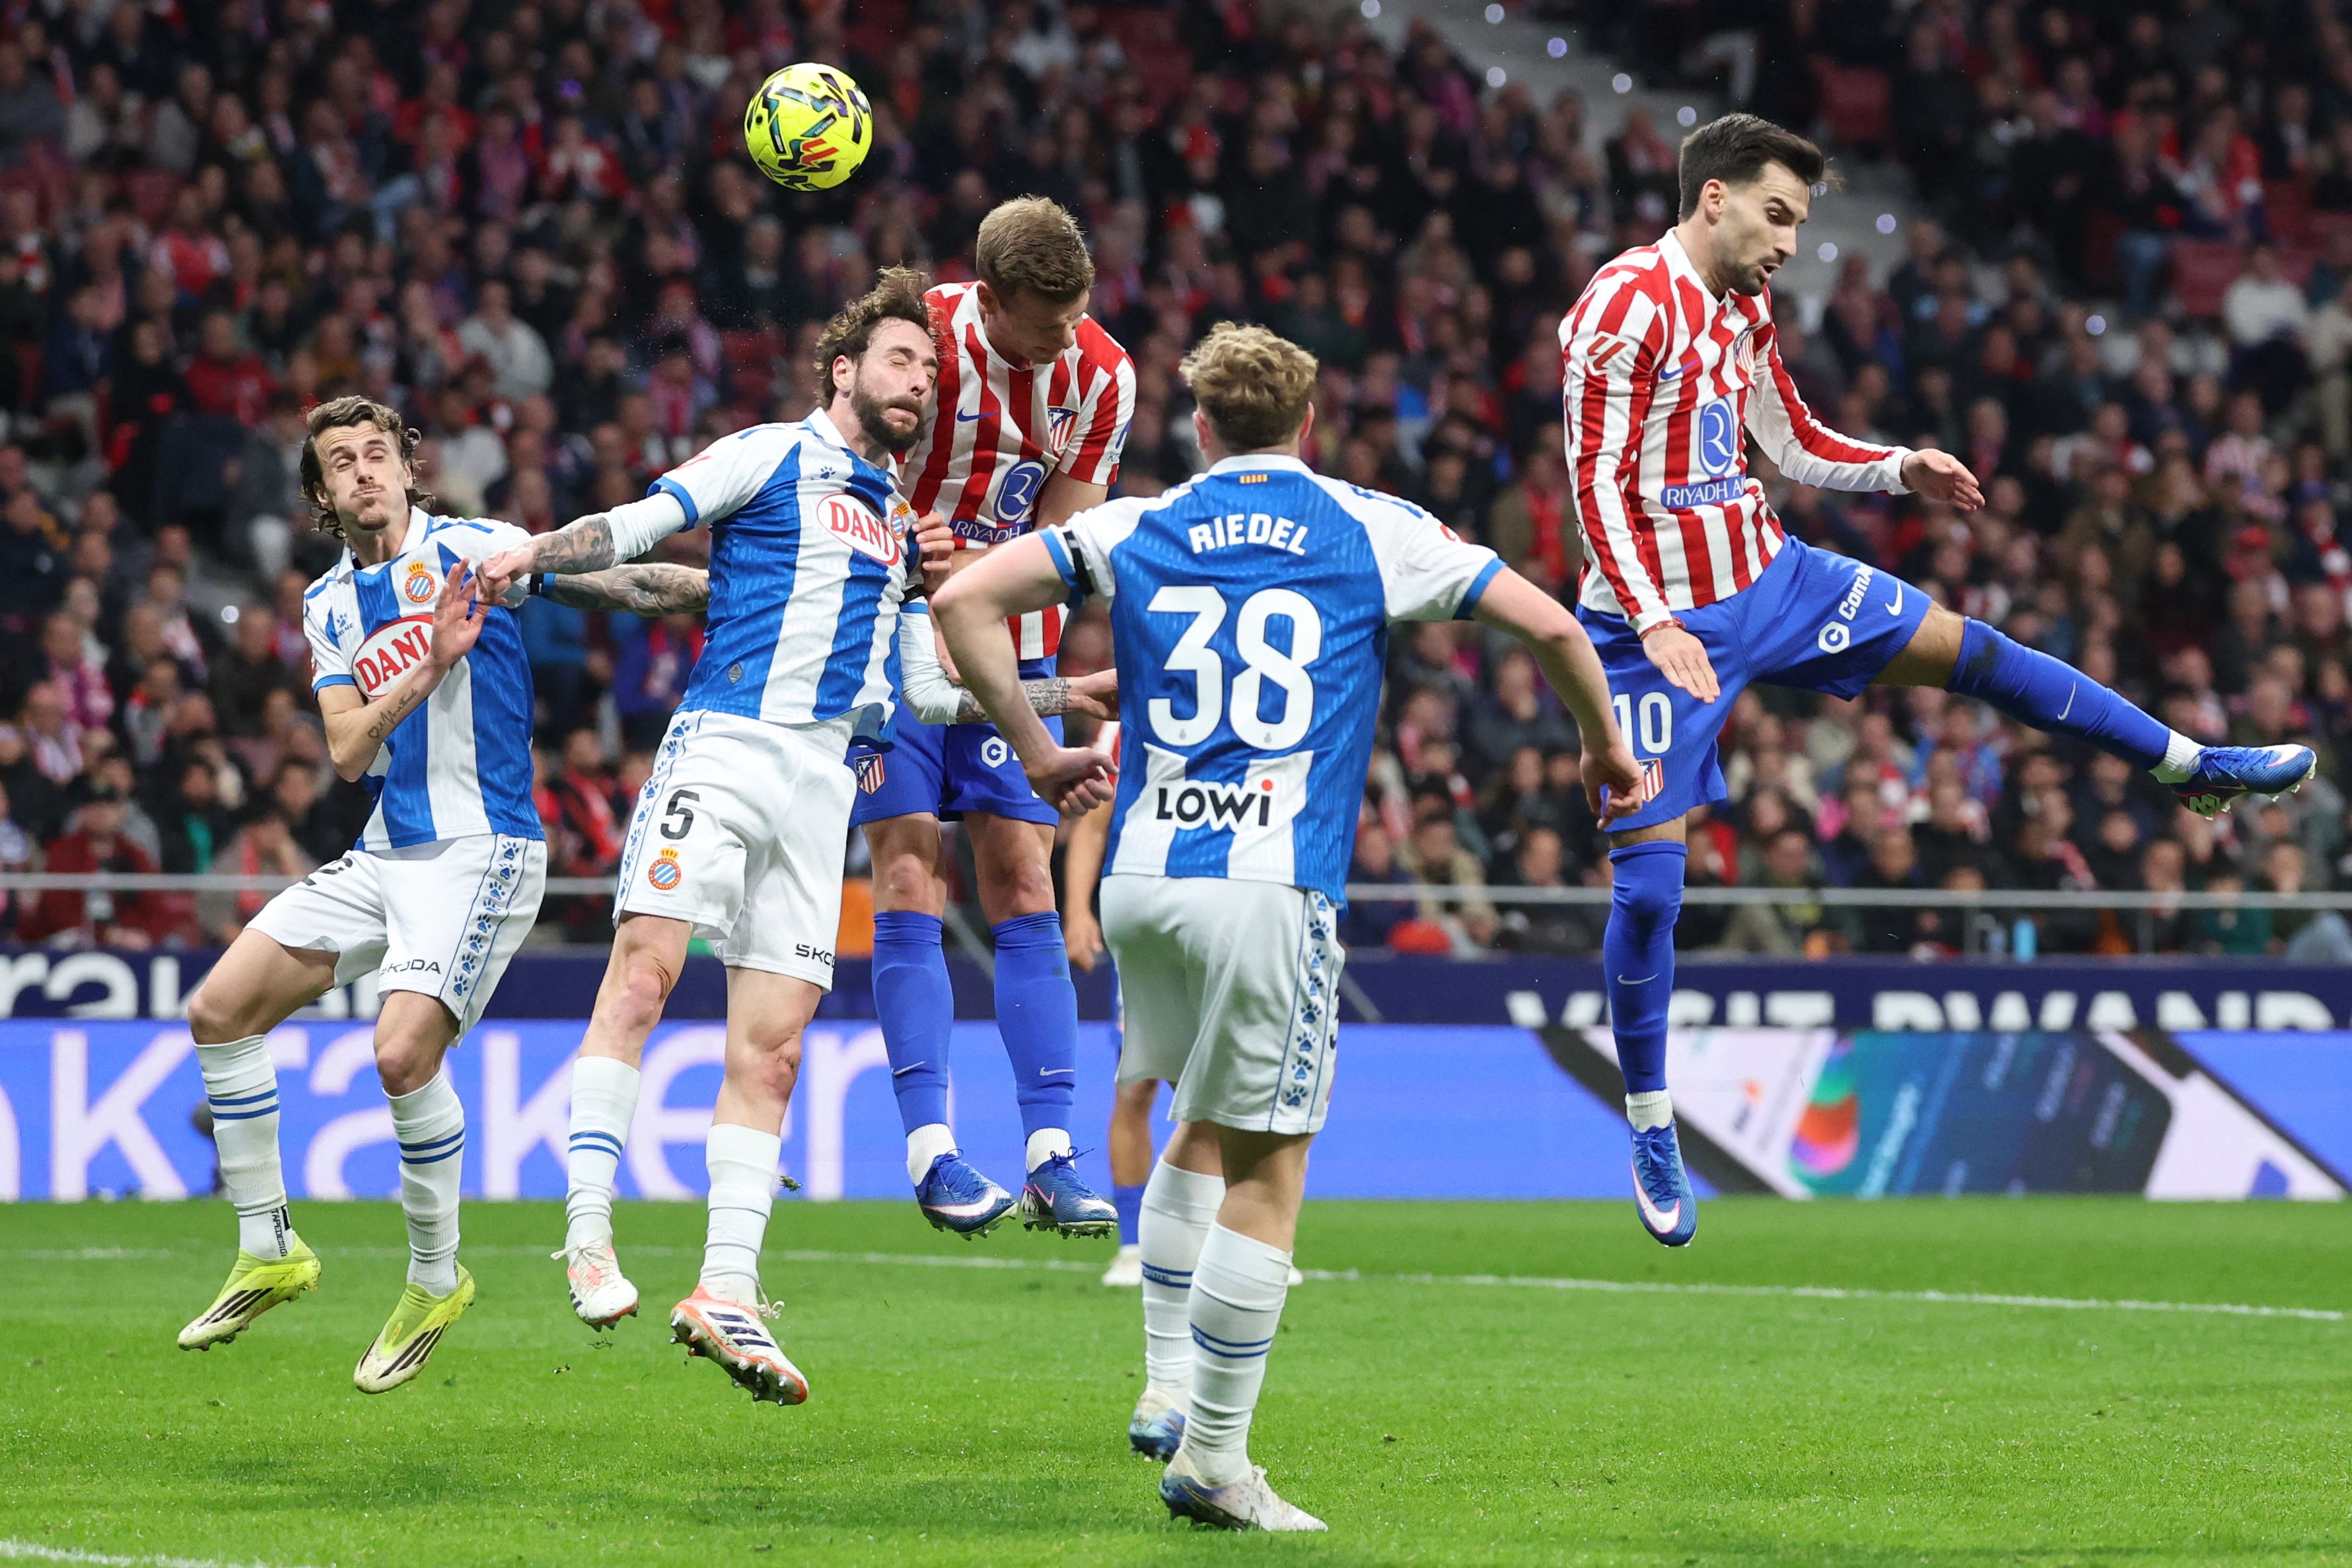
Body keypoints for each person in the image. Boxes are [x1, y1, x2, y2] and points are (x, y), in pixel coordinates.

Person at [1560, 114, 2316, 1252]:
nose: (1789, 243)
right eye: (1777, 214)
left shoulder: (1741, 308)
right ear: (1709, 197)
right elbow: (1595, 485)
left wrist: (1898, 466)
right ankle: (1654, 1122)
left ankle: (2189, 765)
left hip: (1773, 578)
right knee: (1652, 894)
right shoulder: (1623, 308)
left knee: (1976, 652)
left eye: (1801, 224)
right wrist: (1659, 619)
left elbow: (1794, 440)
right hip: (1645, 631)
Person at [933, 322, 1641, 1531]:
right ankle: (1213, 1458)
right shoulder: (1372, 524)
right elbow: (1558, 629)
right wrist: (1603, 747)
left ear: (1200, 425)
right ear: (1309, 425)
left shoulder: (1137, 522)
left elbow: (964, 596)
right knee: (1274, 1162)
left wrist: (1041, 751)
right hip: (1271, 881)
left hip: (1145, 875)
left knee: (1200, 1119)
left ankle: (1165, 1384)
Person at [472, 269, 948, 1407]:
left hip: (823, 784)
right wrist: (533, 553)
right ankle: (587, 1233)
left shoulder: (899, 525)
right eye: (898, 361)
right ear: (843, 370)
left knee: (775, 1046)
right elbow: (641, 533)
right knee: (644, 974)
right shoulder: (767, 452)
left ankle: (725, 1288)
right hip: (727, 745)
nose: (917, 383)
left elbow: (926, 687)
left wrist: (1060, 702)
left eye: (929, 370)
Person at [173, 396, 548, 1394]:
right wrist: (432, 660)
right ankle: (269, 1246)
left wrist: (726, 590)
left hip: (484, 844)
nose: (363, 472)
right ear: (322, 492)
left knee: (397, 1052)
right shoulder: (330, 602)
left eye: (377, 453)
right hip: (389, 849)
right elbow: (346, 753)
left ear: (406, 467)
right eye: (341, 462)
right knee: (217, 1009)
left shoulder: (478, 547)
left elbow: (611, 582)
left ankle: (435, 1277)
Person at [851, 197, 1137, 1240]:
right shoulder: (919, 335)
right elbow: (844, 461)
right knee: (910, 870)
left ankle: (1052, 1154)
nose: (1067, 335)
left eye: (1077, 313)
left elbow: (1063, 541)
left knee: (1021, 874)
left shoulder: (1103, 373)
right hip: (887, 639)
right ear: (989, 297)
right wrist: (900, 540)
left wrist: (968, 571)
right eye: (1045, 320)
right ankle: (932, 1151)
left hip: (1010, 643)